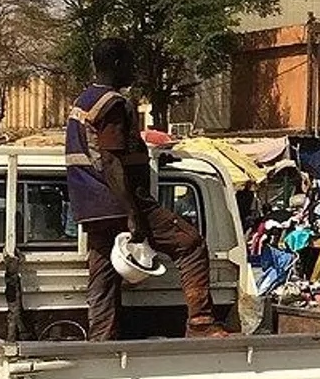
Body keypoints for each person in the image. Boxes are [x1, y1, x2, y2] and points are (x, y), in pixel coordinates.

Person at [67, 37, 225, 341]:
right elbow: (112, 160)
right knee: (189, 244)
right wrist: (133, 213)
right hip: (117, 199)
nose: (134, 69)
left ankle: (101, 341)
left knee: (103, 275)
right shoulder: (112, 103)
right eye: (130, 63)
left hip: (89, 206)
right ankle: (201, 322)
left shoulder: (82, 102)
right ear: (116, 65)